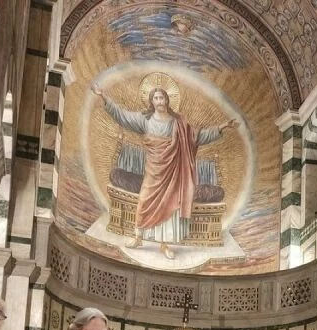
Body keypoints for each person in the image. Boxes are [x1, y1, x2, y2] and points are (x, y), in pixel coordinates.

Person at [92, 82, 238, 259]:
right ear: (151, 101)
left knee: (170, 203)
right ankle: (138, 237)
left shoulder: (179, 123)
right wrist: (103, 96)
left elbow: (198, 137)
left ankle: (164, 244)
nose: (159, 101)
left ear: (167, 100)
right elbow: (122, 116)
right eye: (156, 98)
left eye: (162, 97)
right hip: (154, 169)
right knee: (145, 198)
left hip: (173, 171)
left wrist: (222, 126)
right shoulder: (144, 120)